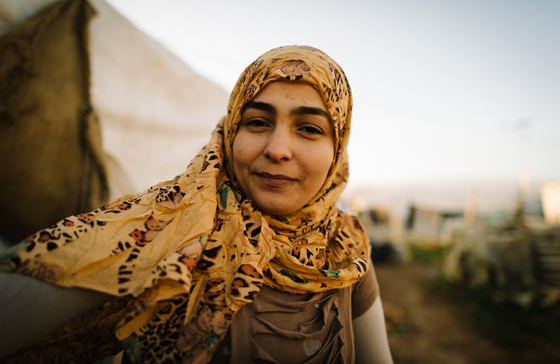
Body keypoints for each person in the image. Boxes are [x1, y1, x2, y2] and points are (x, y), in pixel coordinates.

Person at [0, 45, 393, 363]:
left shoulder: (345, 250)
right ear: (229, 133)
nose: (276, 149)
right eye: (257, 122)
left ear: (337, 148)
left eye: (309, 129)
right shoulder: (173, 223)